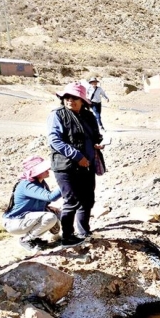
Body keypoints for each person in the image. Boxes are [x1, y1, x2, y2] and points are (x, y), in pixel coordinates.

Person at [48, 82, 104, 247]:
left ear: (82, 100)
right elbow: (55, 140)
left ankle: (83, 232)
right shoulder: (58, 115)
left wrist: (97, 144)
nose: (70, 100)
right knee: (71, 200)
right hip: (65, 166)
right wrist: (77, 155)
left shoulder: (88, 116)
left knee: (87, 200)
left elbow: (95, 136)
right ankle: (67, 237)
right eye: (67, 97)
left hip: (86, 165)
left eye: (74, 98)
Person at [2, 155, 62, 252]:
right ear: (35, 172)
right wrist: (65, 183)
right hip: (15, 222)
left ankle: (39, 238)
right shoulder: (27, 185)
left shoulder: (41, 183)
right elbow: (51, 197)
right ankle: (26, 240)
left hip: (24, 219)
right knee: (50, 218)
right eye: (43, 169)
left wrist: (49, 208)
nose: (48, 170)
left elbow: (45, 201)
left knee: (58, 213)